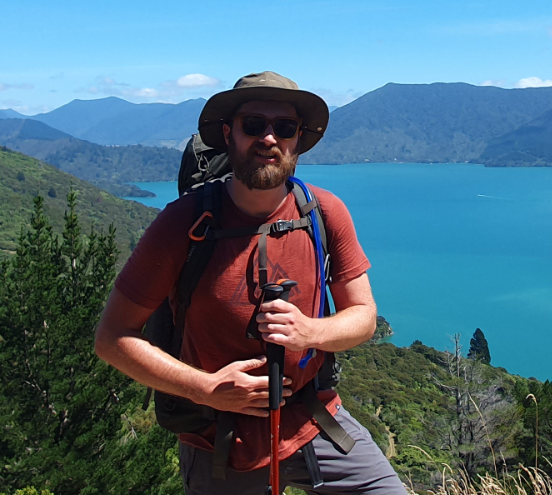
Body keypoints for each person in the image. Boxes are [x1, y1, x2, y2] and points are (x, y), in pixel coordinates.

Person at [94, 72, 408, 495]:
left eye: (285, 127)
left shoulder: (323, 213)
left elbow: (364, 317)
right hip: (218, 439)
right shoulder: (182, 224)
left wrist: (311, 332)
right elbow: (112, 337)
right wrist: (205, 388)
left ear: (299, 139)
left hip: (313, 419)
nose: (269, 138)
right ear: (228, 134)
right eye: (253, 125)